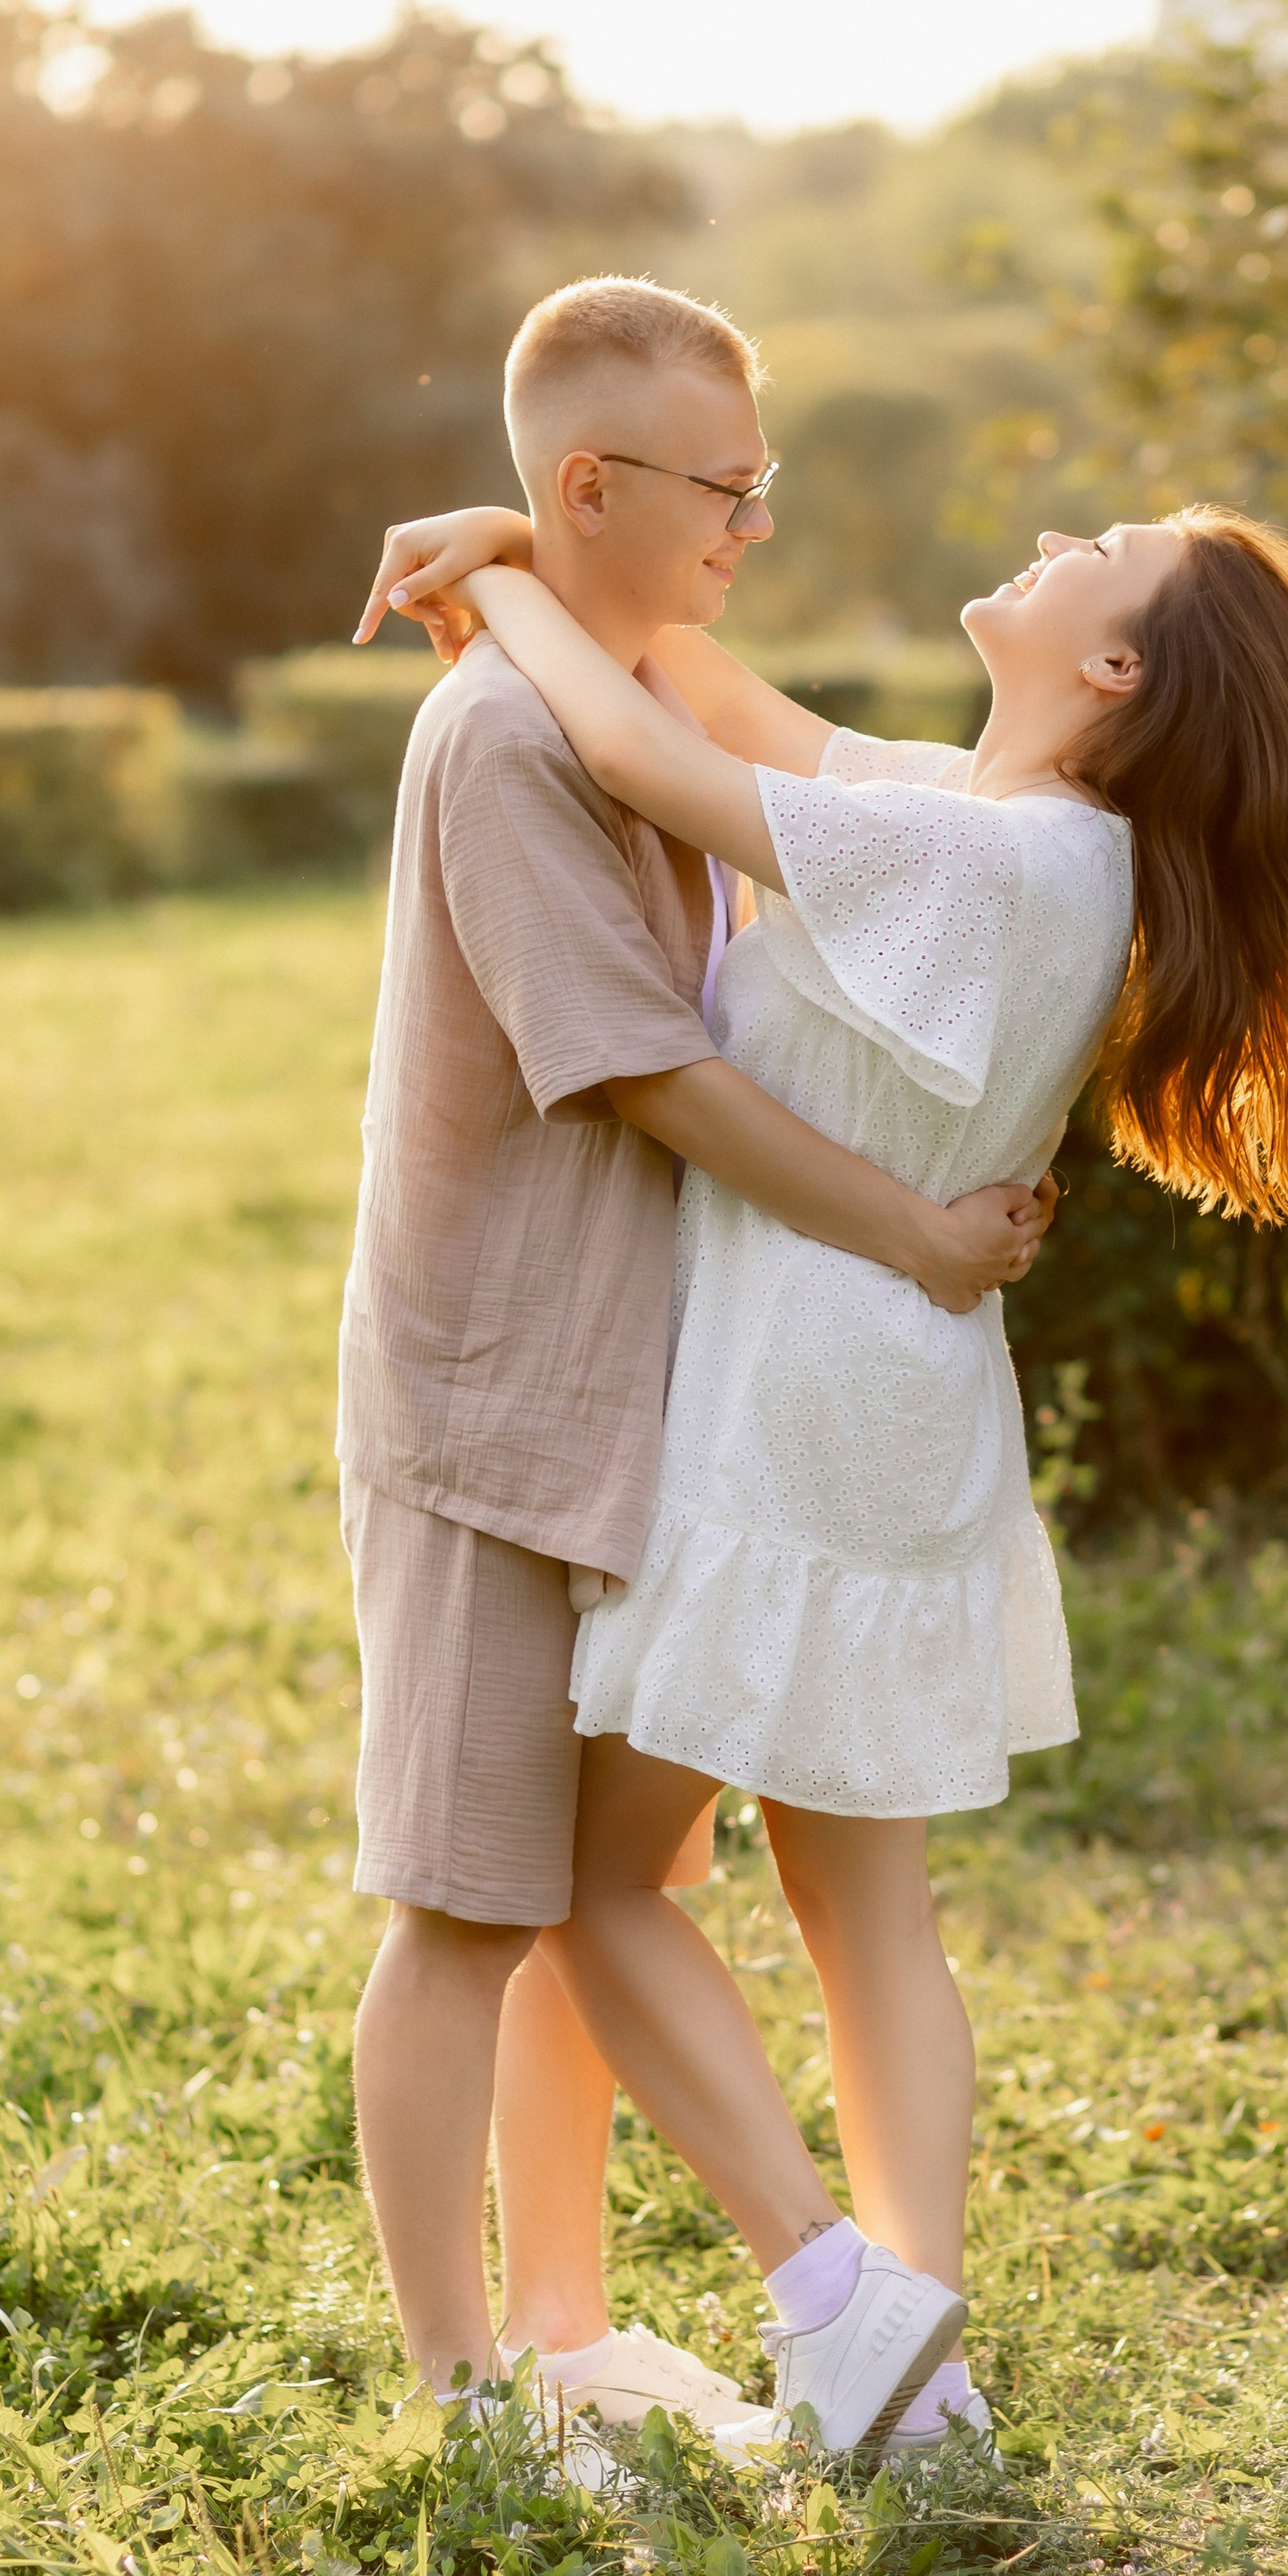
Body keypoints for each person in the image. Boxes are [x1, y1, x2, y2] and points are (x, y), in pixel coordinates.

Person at [368, 494, 1288, 2449]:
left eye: (1100, 547)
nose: (1054, 532)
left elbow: (632, 746)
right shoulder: (1008, 838)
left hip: (787, 1383)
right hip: (908, 1402)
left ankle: (823, 2289)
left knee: (592, 1884)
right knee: (863, 1906)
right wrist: (541, 533)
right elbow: (700, 680)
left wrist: (508, 588)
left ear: (1112, 671)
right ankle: (906, 2369)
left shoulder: (973, 861)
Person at [335, 276, 1053, 2437]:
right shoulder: (500, 739)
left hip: (627, 1392)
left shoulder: (623, 688)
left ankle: (573, 2330)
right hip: (490, 1404)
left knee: (604, 1884)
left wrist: (511, 557)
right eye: (722, 490)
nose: (751, 526)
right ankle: (467, 2392)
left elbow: (737, 733)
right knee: (464, 1906)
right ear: (593, 485)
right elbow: (642, 1073)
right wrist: (913, 1230)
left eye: (761, 485)